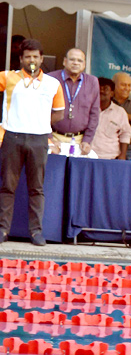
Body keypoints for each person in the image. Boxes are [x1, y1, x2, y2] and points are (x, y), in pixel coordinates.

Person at [0, 39, 64, 246]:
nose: (32, 60)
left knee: (36, 188)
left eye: (36, 56)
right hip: (13, 136)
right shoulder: (8, 77)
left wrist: (41, 124)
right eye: (28, 56)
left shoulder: (53, 83)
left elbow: (59, 113)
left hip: (39, 139)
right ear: (21, 59)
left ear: (42, 58)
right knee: (8, 187)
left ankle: (36, 232)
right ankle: (3, 230)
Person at [47, 48, 99, 156]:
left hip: (80, 141)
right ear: (64, 62)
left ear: (84, 64)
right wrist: (49, 138)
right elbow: (42, 111)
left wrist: (87, 140)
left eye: (80, 61)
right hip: (54, 138)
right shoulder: (50, 79)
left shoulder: (92, 82)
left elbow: (94, 114)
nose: (76, 63)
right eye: (72, 60)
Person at [91, 77, 131, 160]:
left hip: (110, 157)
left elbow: (125, 134)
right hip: (87, 154)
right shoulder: (86, 108)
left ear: (112, 93)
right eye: (99, 88)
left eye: (105, 89)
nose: (101, 91)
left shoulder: (120, 112)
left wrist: (122, 155)